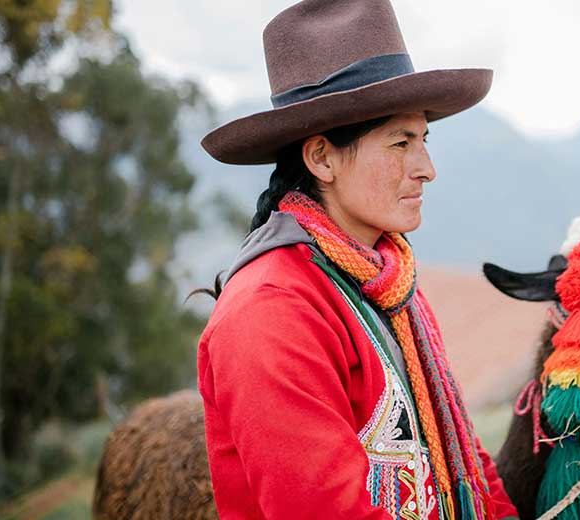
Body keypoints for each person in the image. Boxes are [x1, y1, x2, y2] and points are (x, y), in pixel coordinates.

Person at [195, 1, 518, 519]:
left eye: (424, 140)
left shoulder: (385, 281)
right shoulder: (271, 313)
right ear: (322, 157)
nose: (427, 168)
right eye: (400, 142)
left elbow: (464, 457)